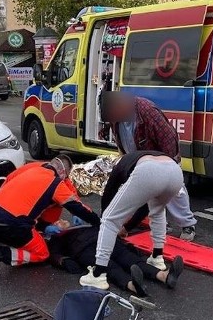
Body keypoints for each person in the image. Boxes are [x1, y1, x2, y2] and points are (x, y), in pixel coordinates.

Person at [79, 151, 184, 290]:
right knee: (157, 210)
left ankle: (98, 274)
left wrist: (108, 223)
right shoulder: (139, 156)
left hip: (149, 171)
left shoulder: (120, 166)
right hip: (175, 171)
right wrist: (127, 227)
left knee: (109, 219)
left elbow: (108, 194)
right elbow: (145, 209)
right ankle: (157, 258)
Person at [100, 91, 197, 240]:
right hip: (138, 157)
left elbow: (168, 136)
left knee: (175, 191)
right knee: (148, 193)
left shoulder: (147, 111)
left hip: (160, 155)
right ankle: (161, 226)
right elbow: (118, 136)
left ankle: (187, 225)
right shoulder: (115, 114)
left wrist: (170, 162)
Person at [0, 155, 101, 272]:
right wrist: (97, 222)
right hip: (10, 224)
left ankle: (15, 240)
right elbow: (76, 206)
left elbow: (9, 181)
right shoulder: (55, 183)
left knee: (25, 228)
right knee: (42, 253)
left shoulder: (32, 167)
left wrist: (43, 226)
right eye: (65, 177)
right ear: (63, 173)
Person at [47, 223, 183, 297]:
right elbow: (53, 254)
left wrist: (126, 244)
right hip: (84, 249)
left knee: (130, 258)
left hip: (104, 240)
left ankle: (163, 276)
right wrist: (63, 261)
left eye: (63, 220)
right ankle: (133, 286)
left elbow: (106, 225)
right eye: (58, 222)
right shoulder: (59, 237)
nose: (62, 221)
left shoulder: (86, 222)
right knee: (110, 267)